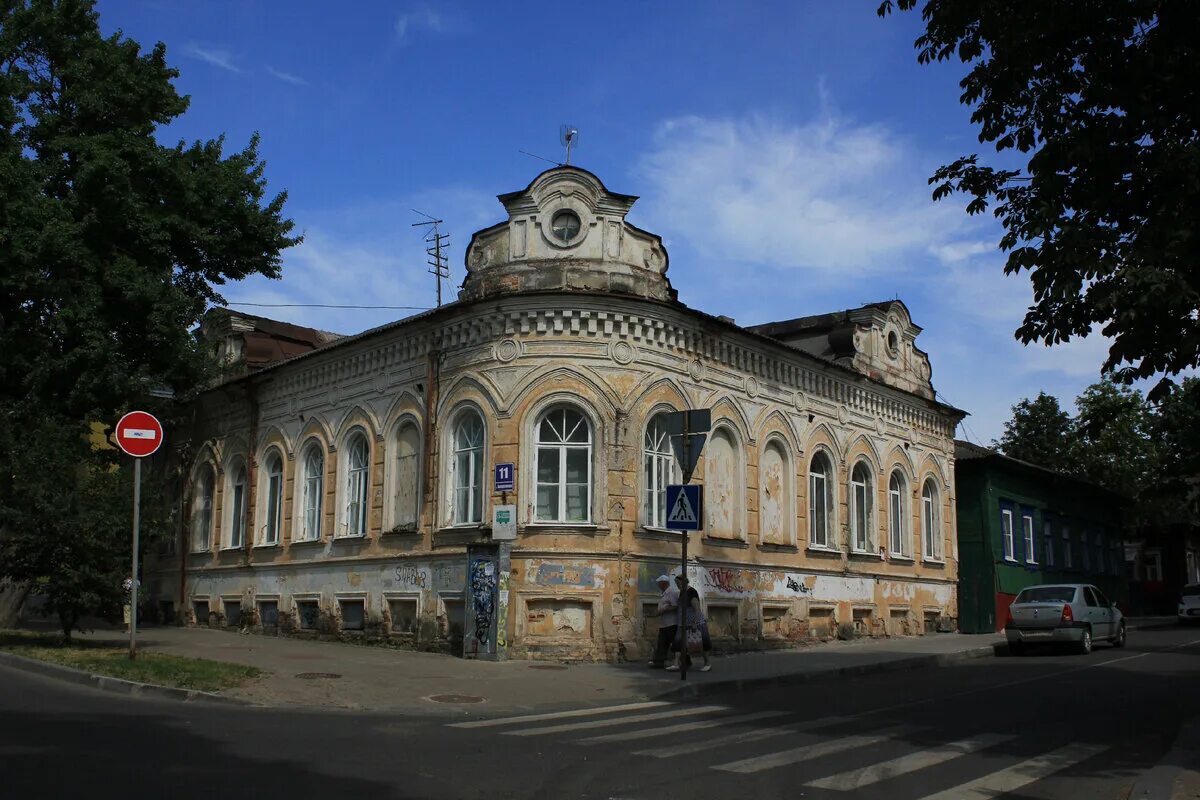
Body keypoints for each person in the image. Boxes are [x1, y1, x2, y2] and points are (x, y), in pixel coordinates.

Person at [667, 580, 712, 672]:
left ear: (684, 582)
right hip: (683, 623)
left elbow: (696, 608)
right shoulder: (682, 592)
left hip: (696, 623)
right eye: (676, 583)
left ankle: (707, 663)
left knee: (703, 642)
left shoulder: (691, 592)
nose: (677, 585)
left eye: (678, 583)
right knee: (678, 642)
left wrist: (694, 623)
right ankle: (676, 664)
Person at [648, 574, 678, 668]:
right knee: (662, 643)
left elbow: (675, 606)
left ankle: (686, 661)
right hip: (664, 623)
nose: (658, 586)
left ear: (664, 583)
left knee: (676, 643)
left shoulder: (671, 592)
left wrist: (663, 610)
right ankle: (659, 662)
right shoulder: (665, 593)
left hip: (671, 623)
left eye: (659, 584)